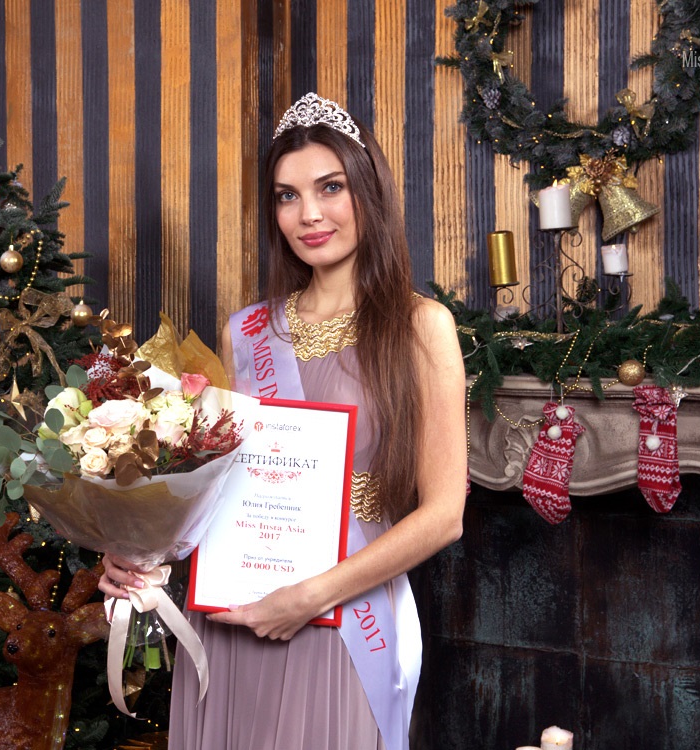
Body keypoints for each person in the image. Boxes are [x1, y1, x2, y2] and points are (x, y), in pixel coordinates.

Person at [100, 92, 467, 750]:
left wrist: (309, 598)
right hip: (233, 615)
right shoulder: (246, 331)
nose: (310, 214)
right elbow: (220, 486)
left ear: (368, 191)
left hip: (343, 620)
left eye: (330, 187)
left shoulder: (421, 326)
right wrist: (140, 551)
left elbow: (445, 515)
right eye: (287, 196)